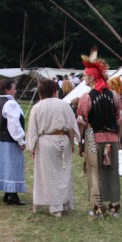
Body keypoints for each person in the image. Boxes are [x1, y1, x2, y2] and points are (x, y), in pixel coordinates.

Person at [76, 48, 122, 218]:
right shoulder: (115, 96)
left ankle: (97, 208)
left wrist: (80, 143)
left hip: (92, 138)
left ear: (92, 77)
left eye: (84, 76)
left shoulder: (86, 99)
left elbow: (82, 123)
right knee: (112, 171)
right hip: (112, 139)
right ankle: (114, 206)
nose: (83, 78)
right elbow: (119, 120)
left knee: (94, 172)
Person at [26, 79, 80, 217]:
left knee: (49, 174)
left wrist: (32, 146)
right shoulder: (64, 105)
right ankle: (60, 204)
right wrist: (73, 140)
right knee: (63, 173)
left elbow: (33, 129)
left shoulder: (37, 107)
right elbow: (72, 125)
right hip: (62, 140)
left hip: (45, 142)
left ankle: (57, 205)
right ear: (55, 91)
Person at [0, 78, 27, 205]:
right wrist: (21, 140)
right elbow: (14, 124)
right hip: (8, 141)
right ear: (7, 90)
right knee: (12, 167)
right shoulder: (10, 104)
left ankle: (8, 193)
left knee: (5, 167)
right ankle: (12, 195)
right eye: (14, 88)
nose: (15, 91)